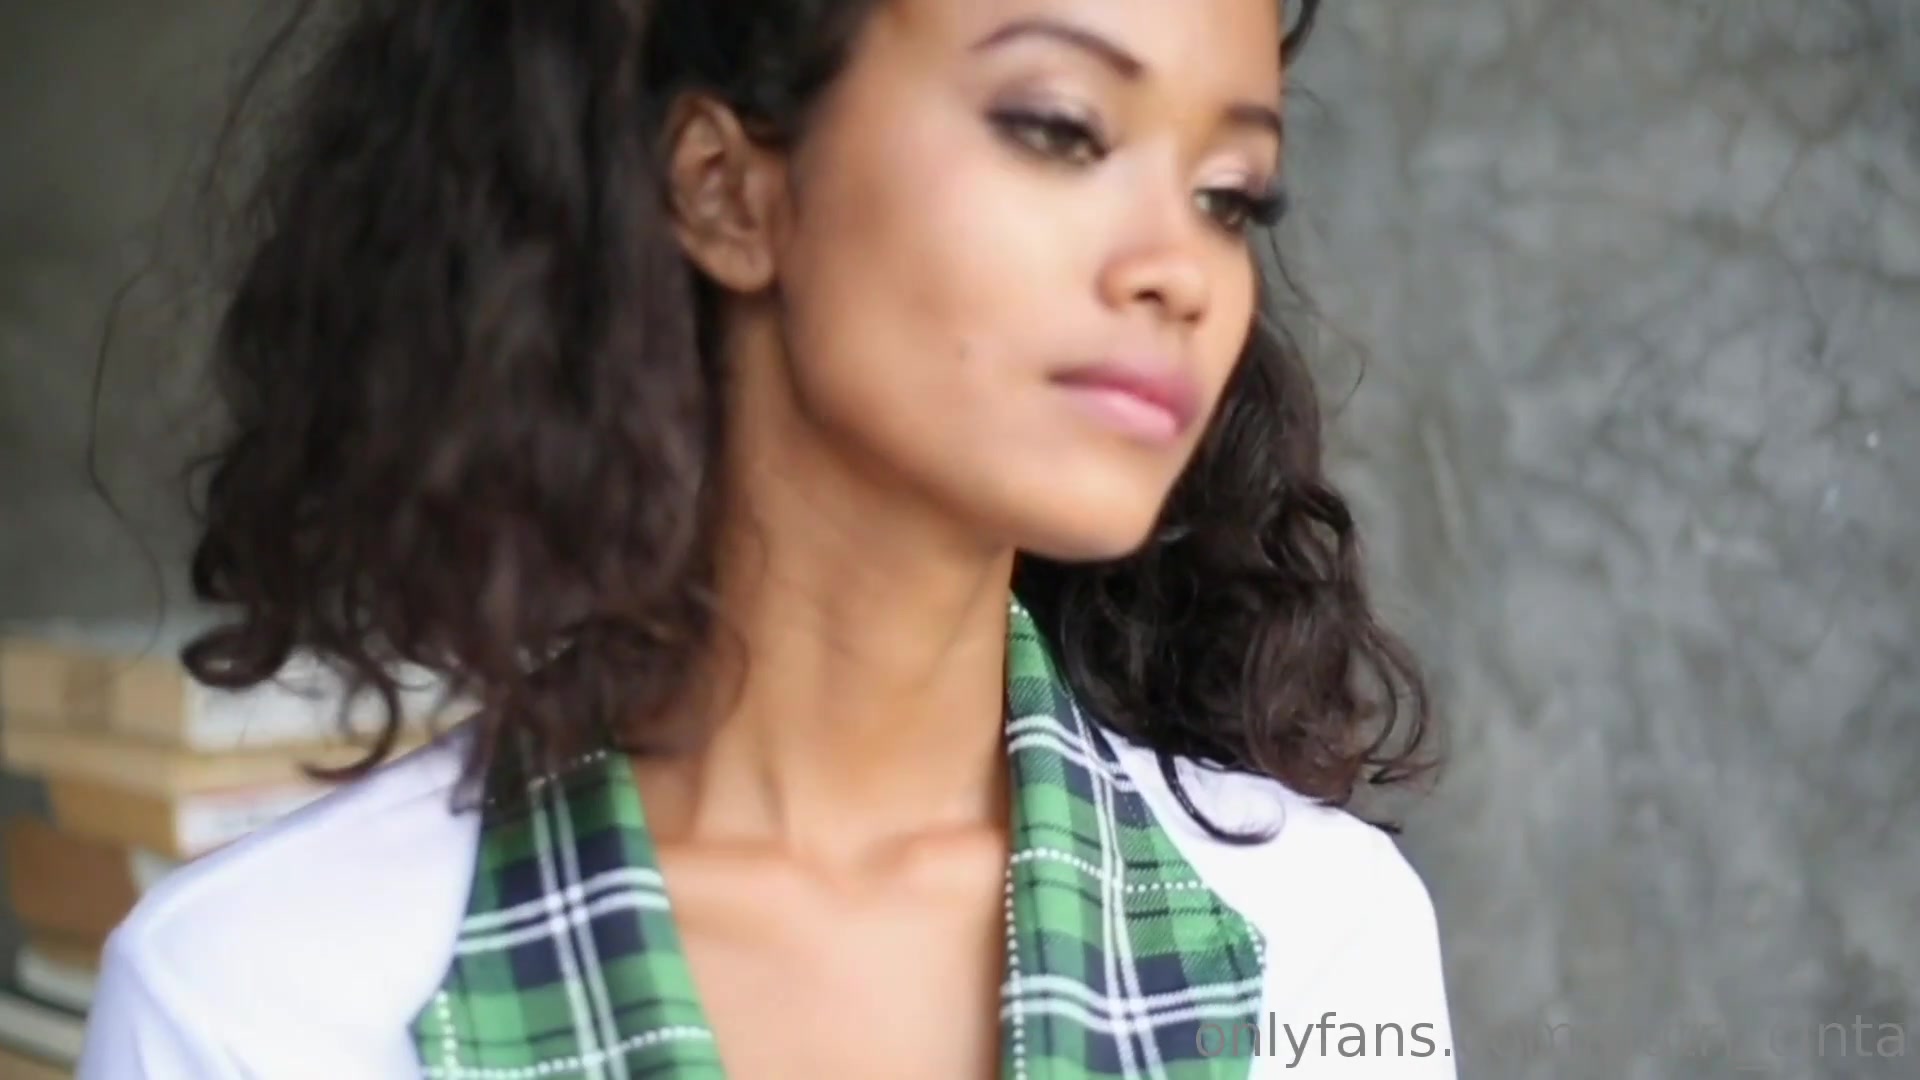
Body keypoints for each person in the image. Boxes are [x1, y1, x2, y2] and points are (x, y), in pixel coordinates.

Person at [77, 0, 1457, 1076]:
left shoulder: (1326, 950)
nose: (1181, 270)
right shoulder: (257, 1007)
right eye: (1058, 128)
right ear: (726, 190)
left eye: (1231, 196)